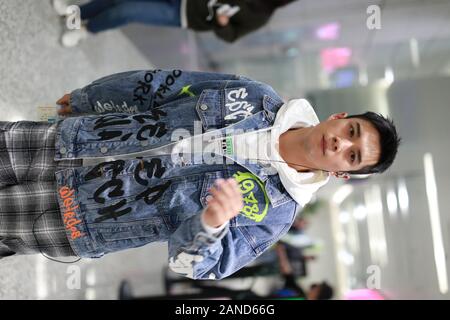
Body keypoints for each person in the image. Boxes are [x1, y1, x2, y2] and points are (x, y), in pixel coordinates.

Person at [0, 69, 401, 281]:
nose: (340, 146)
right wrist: (94, 97)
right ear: (339, 118)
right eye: (351, 133)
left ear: (344, 175)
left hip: (77, 215)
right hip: (71, 140)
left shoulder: (274, 214)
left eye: (353, 157)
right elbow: (160, 85)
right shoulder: (255, 96)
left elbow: (196, 267)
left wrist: (210, 225)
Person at [52, 0, 299, 47]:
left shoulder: (261, 15)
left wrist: (223, 23)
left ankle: (85, 29)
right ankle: (73, 15)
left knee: (127, 11)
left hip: (183, 14)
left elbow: (231, 36)